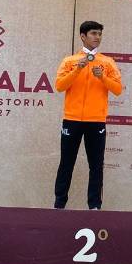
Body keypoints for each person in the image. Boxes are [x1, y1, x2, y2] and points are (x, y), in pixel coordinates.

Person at [53, 21, 122, 210]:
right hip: (72, 120)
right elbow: (59, 86)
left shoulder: (107, 62)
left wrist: (102, 77)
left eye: (99, 34)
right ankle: (59, 204)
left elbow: (118, 90)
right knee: (66, 163)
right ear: (83, 36)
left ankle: (94, 206)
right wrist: (78, 69)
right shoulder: (69, 61)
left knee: (96, 165)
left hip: (96, 121)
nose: (97, 37)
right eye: (93, 33)